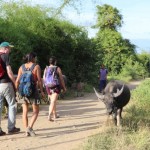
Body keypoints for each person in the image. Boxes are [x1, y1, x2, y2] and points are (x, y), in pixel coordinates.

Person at [15, 52, 45, 136]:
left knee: (25, 112)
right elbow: (39, 80)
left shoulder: (21, 67)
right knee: (36, 111)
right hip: (33, 91)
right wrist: (42, 91)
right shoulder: (36, 66)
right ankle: (29, 127)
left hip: (22, 92)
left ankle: (26, 131)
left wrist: (17, 91)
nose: (36, 59)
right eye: (35, 58)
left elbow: (17, 81)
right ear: (33, 58)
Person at [0, 41, 20, 136]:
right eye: (9, 48)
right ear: (5, 48)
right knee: (12, 105)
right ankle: (11, 128)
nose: (10, 50)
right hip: (6, 84)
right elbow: (9, 71)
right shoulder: (5, 56)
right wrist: (14, 82)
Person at [43, 56, 67, 121]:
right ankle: (49, 115)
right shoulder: (57, 68)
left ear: (49, 62)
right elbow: (61, 79)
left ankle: (55, 115)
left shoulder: (46, 68)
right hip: (55, 86)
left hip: (48, 86)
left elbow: (44, 78)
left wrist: (45, 87)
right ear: (55, 62)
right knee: (53, 101)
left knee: (53, 101)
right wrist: (64, 87)